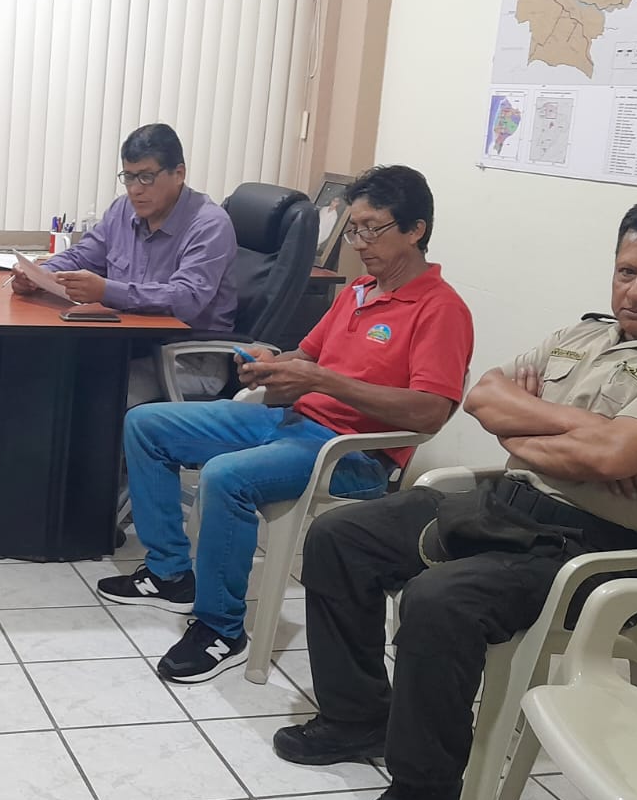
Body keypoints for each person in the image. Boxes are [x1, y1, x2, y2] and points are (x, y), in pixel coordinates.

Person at [274, 196, 637, 800]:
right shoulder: (583, 335)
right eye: (626, 271)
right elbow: (482, 398)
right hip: (508, 505)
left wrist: (538, 428)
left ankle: (425, 793)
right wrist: (584, 433)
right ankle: (356, 717)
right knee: (340, 537)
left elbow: (610, 458)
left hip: (596, 550)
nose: (636, 292)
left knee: (439, 601)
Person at [101, 165, 473, 683]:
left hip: (351, 453)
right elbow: (307, 355)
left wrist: (322, 381)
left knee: (226, 476)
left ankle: (221, 629)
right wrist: (271, 362)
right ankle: (169, 574)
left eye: (373, 229)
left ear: (416, 230)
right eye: (354, 229)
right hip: (288, 419)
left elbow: (431, 411)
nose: (359, 243)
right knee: (146, 424)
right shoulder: (359, 290)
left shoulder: (441, 310)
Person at [11, 123, 240, 405]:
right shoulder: (123, 210)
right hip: (126, 345)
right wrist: (39, 275)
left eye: (146, 177)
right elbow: (83, 255)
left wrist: (106, 291)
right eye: (129, 177)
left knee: (95, 393)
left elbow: (186, 299)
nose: (135, 189)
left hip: (186, 359)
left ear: (178, 174)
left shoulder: (209, 225)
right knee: (41, 368)